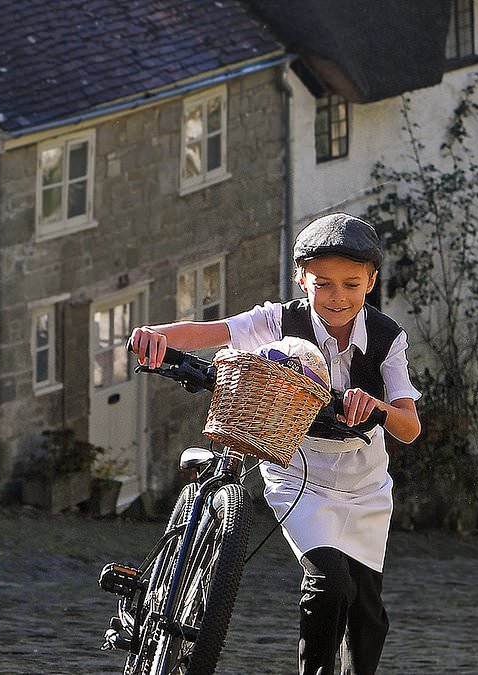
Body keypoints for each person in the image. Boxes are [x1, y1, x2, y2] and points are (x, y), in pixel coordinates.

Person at [128, 213, 421, 675]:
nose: (337, 297)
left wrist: (377, 408)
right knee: (329, 587)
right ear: (302, 279)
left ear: (371, 281)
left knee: (368, 617)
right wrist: (155, 336)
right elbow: (213, 331)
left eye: (350, 283)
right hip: (298, 472)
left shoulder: (388, 338)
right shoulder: (281, 321)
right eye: (323, 283)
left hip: (364, 483)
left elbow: (409, 426)